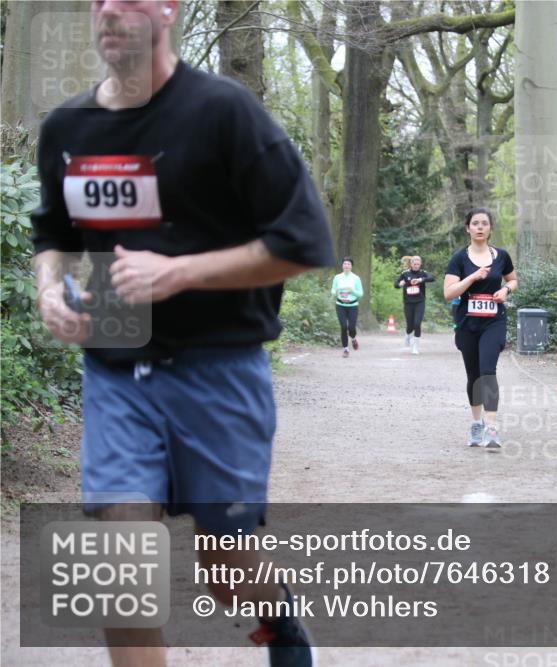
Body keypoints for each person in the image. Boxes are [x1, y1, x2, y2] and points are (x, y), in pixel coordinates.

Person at [29, 2, 333, 665]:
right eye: (99, 0)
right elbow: (52, 233)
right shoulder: (68, 128)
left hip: (218, 367)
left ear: (168, 9)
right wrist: (51, 289)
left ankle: (277, 619)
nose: (110, 11)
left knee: (226, 568)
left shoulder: (224, 113)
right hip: (117, 366)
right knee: (118, 567)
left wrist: (179, 273)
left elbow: (304, 241)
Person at [443, 208, 518, 449]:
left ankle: (492, 428)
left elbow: (513, 279)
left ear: (490, 229)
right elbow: (448, 293)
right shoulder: (459, 259)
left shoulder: (502, 256)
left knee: (487, 371)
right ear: (468, 228)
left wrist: (505, 290)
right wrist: (472, 277)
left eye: (484, 223)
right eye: (475, 223)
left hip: (494, 321)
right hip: (467, 323)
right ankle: (477, 423)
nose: (480, 227)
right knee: (474, 375)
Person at [395, 255, 435, 354]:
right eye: (414, 264)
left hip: (419, 302)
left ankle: (415, 347)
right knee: (410, 325)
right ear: (411, 264)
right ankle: (408, 335)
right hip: (408, 302)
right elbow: (396, 284)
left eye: (418, 264)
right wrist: (400, 284)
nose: (416, 266)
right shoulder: (405, 273)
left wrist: (421, 280)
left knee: (417, 323)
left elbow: (431, 278)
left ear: (420, 264)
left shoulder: (423, 273)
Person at [331, 257, 363, 357]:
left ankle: (353, 338)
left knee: (351, 327)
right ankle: (346, 349)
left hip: (353, 305)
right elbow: (333, 291)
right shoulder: (337, 277)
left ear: (351, 266)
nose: (346, 266)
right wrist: (336, 292)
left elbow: (360, 293)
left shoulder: (356, 278)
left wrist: (352, 291)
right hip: (340, 305)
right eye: (345, 264)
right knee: (344, 327)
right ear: (342, 265)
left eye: (348, 264)